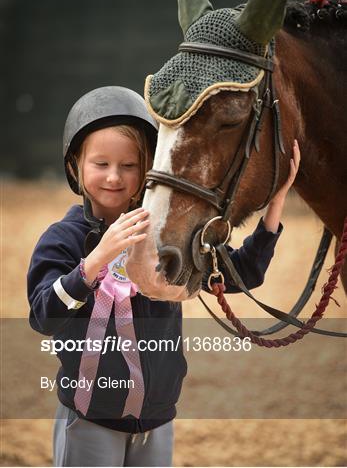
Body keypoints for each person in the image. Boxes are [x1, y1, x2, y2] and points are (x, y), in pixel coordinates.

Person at [27, 86, 300, 467]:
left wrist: (275, 205)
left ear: (150, 167)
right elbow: (44, 315)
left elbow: (243, 274)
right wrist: (96, 260)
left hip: (156, 421)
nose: (114, 177)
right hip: (90, 420)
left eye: (129, 165)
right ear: (74, 165)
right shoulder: (62, 239)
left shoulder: (166, 238)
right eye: (100, 164)